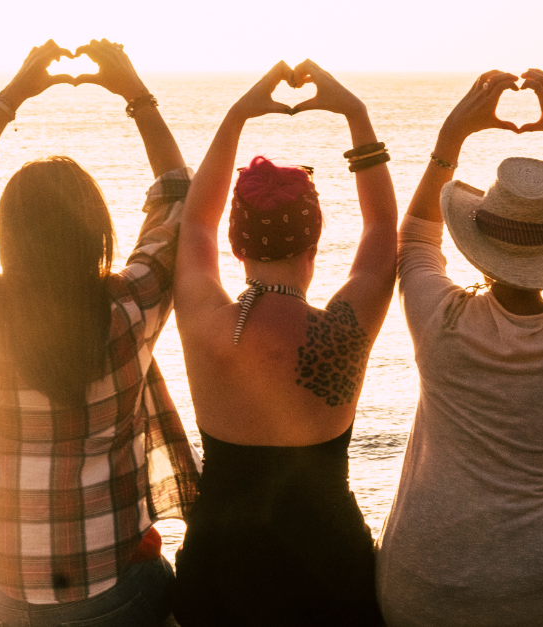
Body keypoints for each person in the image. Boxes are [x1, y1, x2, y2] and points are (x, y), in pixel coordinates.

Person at [375, 67, 543, 627]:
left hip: (425, 591)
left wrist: (453, 136)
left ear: (478, 239)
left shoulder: (440, 320)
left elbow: (415, 234)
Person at [169, 60, 396, 626]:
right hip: (330, 573)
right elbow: (381, 227)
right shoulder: (345, 327)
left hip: (218, 574)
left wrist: (237, 116)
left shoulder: (206, 323)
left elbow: (195, 221)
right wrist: (355, 114)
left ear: (236, 244)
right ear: (316, 236)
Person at [0, 40, 200, 626]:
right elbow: (180, 196)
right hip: (115, 590)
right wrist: (135, 95)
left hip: (7, 592)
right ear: (95, 233)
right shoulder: (128, 309)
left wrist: (10, 98)